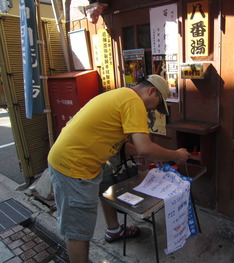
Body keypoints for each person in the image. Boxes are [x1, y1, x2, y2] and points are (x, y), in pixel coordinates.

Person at [47, 75, 190, 263]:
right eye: (155, 104)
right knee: (78, 231)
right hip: (73, 167)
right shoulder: (134, 102)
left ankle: (114, 230)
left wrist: (147, 157)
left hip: (88, 161)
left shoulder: (122, 95)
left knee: (107, 188)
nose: (152, 109)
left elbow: (125, 147)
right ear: (152, 91)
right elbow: (145, 148)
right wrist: (176, 155)